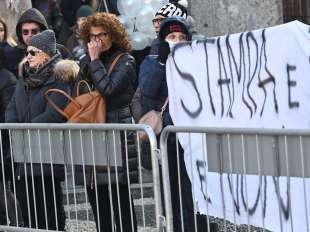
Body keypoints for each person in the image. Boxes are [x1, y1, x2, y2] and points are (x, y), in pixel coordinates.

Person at [5, 29, 75, 230]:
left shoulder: (59, 78)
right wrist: (15, 128)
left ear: (46, 54)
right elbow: (11, 109)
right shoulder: (24, 79)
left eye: (33, 52)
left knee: (50, 214)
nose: (28, 56)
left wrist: (24, 131)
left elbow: (53, 114)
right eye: (27, 52)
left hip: (46, 159)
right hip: (22, 156)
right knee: (29, 215)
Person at [78, 12, 137, 232]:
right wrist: (89, 61)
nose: (98, 40)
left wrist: (94, 61)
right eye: (93, 36)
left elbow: (108, 89)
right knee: (96, 191)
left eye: (102, 34)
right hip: (92, 133)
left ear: (112, 35)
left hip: (115, 133)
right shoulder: (87, 60)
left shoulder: (126, 60)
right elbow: (78, 92)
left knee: (119, 195)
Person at [139, 16, 195, 232]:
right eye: (172, 36)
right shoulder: (152, 60)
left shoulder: (194, 60)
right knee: (171, 195)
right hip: (168, 141)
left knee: (191, 196)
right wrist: (161, 63)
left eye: (181, 37)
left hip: (191, 140)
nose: (177, 40)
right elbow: (147, 90)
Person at [12, 8, 72, 77]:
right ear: (20, 34)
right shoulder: (14, 55)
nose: (30, 35)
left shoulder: (60, 51)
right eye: (25, 32)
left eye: (34, 31)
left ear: (42, 31)